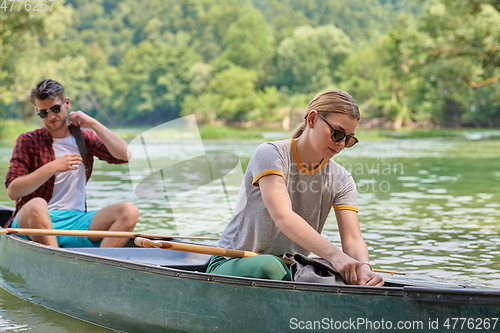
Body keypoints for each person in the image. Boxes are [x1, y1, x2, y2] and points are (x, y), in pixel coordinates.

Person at [207, 90, 384, 286]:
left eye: (349, 139)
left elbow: (352, 239)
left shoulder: (342, 178)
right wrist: (335, 256)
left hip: (291, 269)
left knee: (346, 271)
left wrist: (364, 268)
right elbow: (283, 217)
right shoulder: (271, 153)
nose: (341, 143)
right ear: (312, 119)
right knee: (270, 266)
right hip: (234, 261)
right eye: (337, 133)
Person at [5, 79, 139, 248]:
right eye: (44, 113)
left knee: (129, 211)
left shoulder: (84, 138)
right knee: (37, 205)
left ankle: (99, 265)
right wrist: (52, 167)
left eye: (55, 109)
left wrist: (93, 123)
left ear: (66, 103)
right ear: (37, 111)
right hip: (33, 221)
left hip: (75, 221)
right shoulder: (27, 141)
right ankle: (56, 259)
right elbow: (13, 191)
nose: (51, 117)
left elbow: (124, 155)